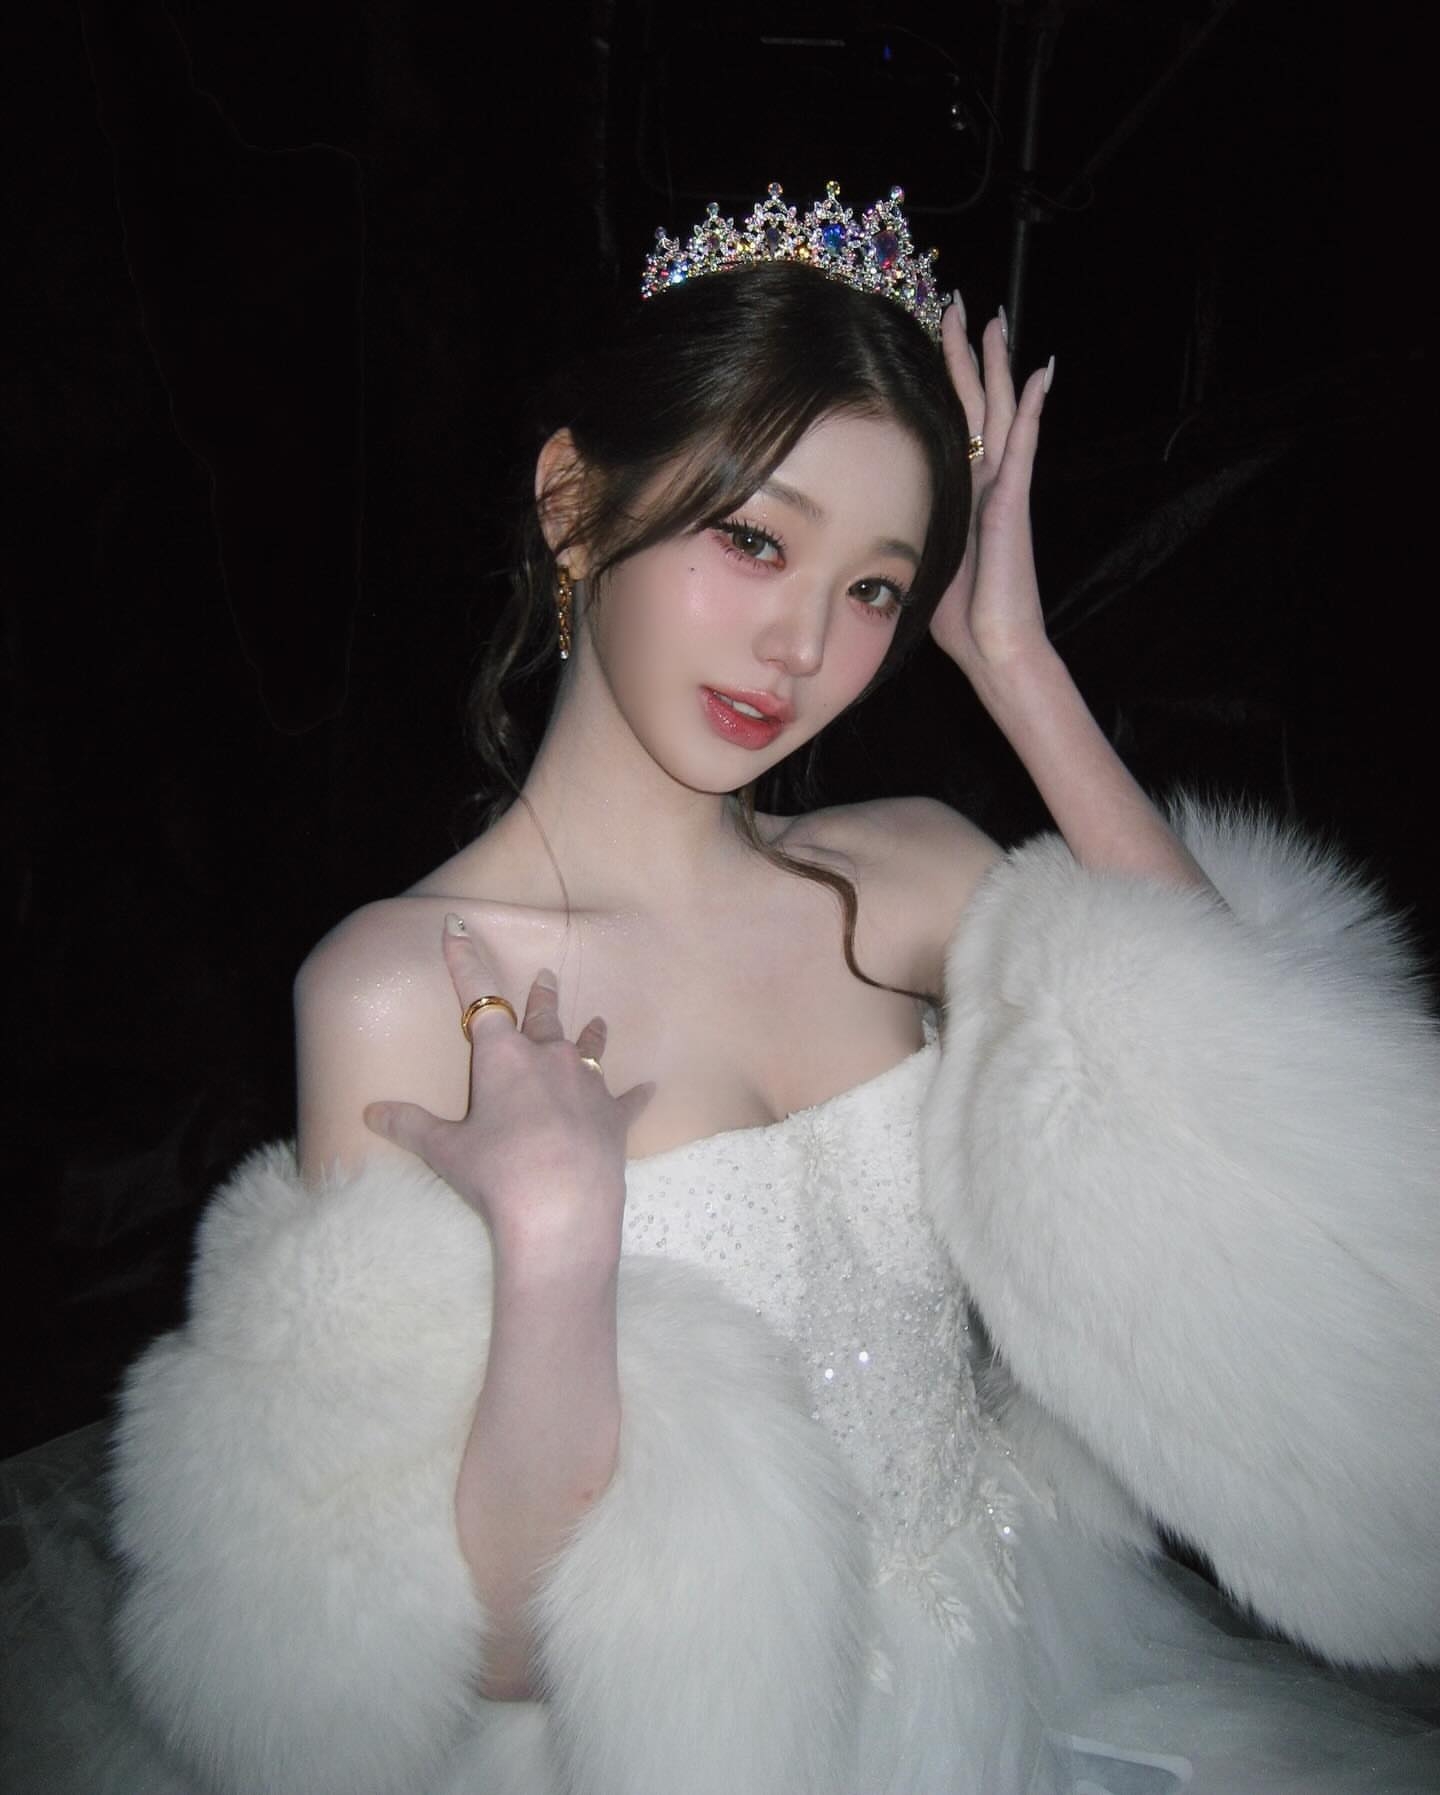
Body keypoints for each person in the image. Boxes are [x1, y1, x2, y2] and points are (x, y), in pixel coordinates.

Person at [6, 182, 1439, 1794]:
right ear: (574, 504)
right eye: (753, 539)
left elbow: (1271, 1143)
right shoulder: (406, 991)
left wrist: (1020, 667)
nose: (802, 646)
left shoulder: (908, 868)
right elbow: (481, 1651)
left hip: (1048, 1672)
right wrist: (556, 1253)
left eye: (875, 586)